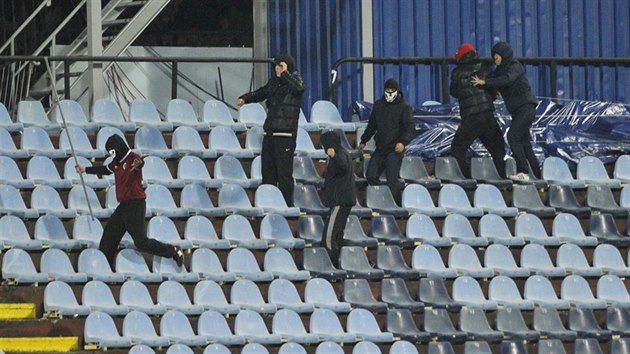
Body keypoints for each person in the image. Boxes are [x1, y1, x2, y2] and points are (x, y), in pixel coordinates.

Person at [75, 134, 184, 267]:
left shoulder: (133, 158)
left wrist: (140, 163)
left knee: (141, 242)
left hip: (135, 205)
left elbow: (139, 163)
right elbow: (105, 169)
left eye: (113, 152)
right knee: (108, 239)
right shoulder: (116, 163)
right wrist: (85, 169)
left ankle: (173, 251)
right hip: (123, 207)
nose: (112, 155)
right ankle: (105, 268)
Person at [236, 54, 306, 205]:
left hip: (285, 134)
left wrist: (286, 73)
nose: (277, 69)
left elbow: (299, 89)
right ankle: (269, 203)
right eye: (276, 66)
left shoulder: (295, 81)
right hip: (269, 134)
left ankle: (286, 204)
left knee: (284, 174)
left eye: (281, 66)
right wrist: (246, 98)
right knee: (267, 173)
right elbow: (261, 93)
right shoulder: (274, 83)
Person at [472, 41, 541, 181]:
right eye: (494, 56)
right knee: (525, 143)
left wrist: (485, 83)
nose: (495, 59)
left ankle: (523, 172)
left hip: (526, 108)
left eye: (498, 56)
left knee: (512, 136)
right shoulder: (499, 71)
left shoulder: (515, 66)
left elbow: (507, 80)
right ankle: (537, 176)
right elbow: (494, 80)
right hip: (517, 111)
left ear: (504, 56)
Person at [449, 43, 506, 178]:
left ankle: (466, 179)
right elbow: (493, 89)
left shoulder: (456, 73)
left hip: (471, 117)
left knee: (458, 147)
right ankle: (503, 180)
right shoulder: (485, 68)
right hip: (487, 114)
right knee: (497, 149)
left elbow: (454, 92)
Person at [358, 78, 415, 205]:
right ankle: (381, 200)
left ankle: (397, 207)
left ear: (396, 91)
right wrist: (363, 141)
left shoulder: (405, 108)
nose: (389, 93)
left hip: (395, 150)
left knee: (392, 180)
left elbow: (410, 128)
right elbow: (372, 125)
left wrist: (403, 142)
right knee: (371, 175)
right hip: (381, 148)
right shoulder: (378, 105)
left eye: (391, 90)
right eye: (387, 90)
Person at [320, 130, 356, 267]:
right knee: (337, 235)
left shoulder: (339, 154)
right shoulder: (344, 152)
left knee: (329, 237)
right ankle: (339, 263)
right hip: (344, 200)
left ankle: (331, 264)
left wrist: (333, 156)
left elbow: (342, 166)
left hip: (340, 201)